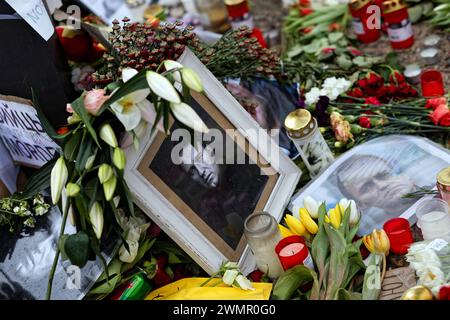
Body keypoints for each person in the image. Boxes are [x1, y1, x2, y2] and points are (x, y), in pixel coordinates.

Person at [335, 154, 421, 234]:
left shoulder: (433, 188)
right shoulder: (384, 238)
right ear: (361, 204)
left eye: (384, 175)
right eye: (366, 187)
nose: (382, 185)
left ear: (402, 173)